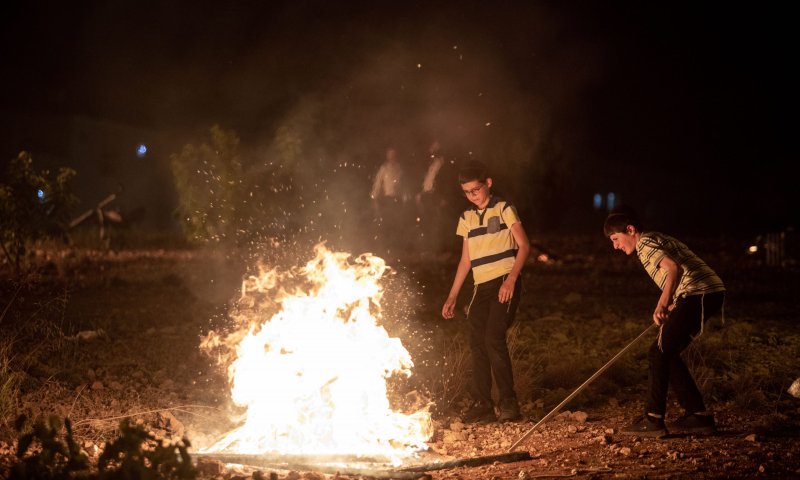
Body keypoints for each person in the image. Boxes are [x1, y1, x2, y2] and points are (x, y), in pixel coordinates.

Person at [603, 205, 725, 437]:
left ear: (630, 230)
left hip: (699, 292)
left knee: (658, 352)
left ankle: (653, 420)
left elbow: (672, 268)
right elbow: (679, 269)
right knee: (666, 352)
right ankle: (698, 417)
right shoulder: (656, 238)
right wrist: (674, 302)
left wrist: (663, 301)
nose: (615, 245)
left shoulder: (645, 243)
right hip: (704, 292)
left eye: (616, 238)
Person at [441, 160, 531, 423]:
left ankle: (509, 403)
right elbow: (465, 260)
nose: (473, 195)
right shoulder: (466, 218)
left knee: (493, 338)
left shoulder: (503, 209)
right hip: (481, 287)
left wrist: (512, 279)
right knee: (476, 343)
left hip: (504, 279)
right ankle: (482, 404)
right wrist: (452, 295)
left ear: (488, 183)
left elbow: (524, 246)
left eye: (476, 189)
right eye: (467, 192)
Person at [369, 146, 409, 252]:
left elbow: (403, 184)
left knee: (397, 223)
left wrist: (405, 197)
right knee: (387, 222)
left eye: (393, 154)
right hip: (387, 199)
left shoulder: (399, 168)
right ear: (387, 156)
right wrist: (374, 197)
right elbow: (377, 183)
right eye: (389, 154)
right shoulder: (384, 168)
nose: (391, 156)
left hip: (397, 199)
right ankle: (386, 247)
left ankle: (396, 247)